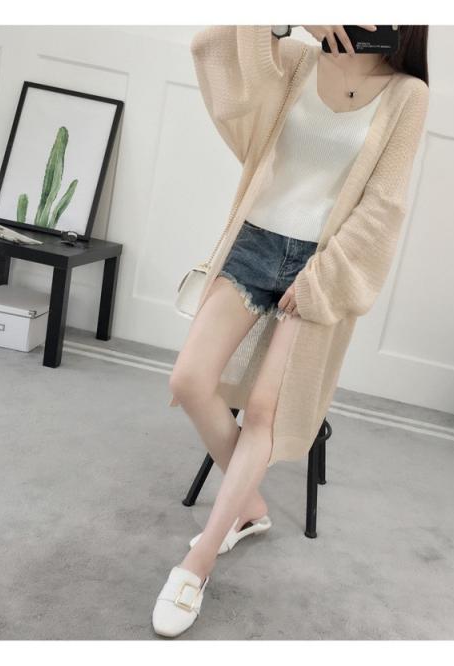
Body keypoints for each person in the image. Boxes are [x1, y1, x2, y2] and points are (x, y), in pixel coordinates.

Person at [153, 24, 430, 637]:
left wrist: (322, 278)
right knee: (189, 380)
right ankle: (248, 506)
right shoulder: (298, 58)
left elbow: (384, 207)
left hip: (320, 265)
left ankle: (198, 564)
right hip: (254, 243)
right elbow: (211, 49)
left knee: (263, 411)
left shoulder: (407, 95)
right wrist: (283, 20)